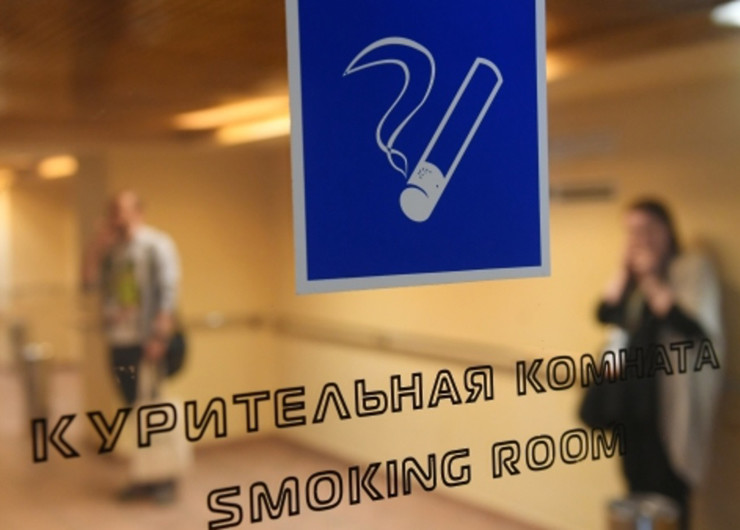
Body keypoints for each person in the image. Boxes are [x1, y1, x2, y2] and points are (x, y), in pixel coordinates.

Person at [593, 199, 724, 530]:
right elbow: (604, 313)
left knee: (669, 497)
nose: (640, 238)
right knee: (635, 489)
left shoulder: (689, 270)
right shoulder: (632, 278)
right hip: (631, 406)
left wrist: (651, 278)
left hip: (669, 409)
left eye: (647, 229)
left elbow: (693, 330)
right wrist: (625, 271)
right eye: (631, 231)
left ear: (666, 230)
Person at [82, 190, 182, 503]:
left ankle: (165, 478)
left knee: (154, 409)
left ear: (139, 212)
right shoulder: (112, 252)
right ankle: (144, 475)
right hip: (119, 341)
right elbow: (88, 284)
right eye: (113, 211)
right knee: (133, 411)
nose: (118, 217)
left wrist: (159, 336)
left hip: (146, 341)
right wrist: (97, 246)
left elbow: (168, 291)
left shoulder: (156, 244)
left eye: (122, 210)